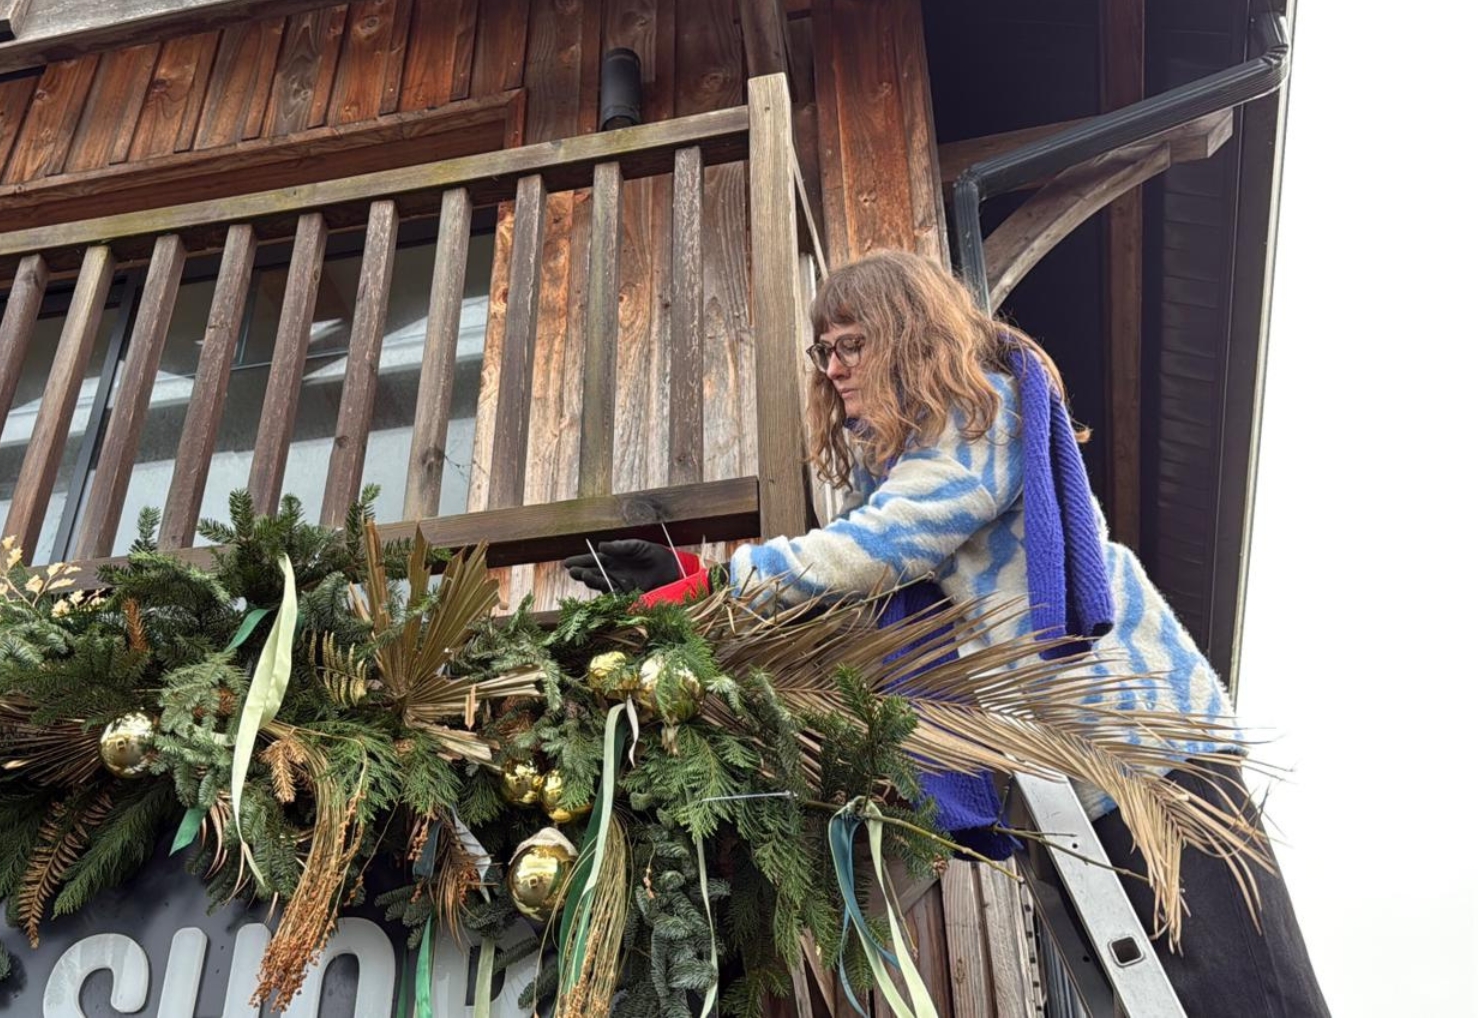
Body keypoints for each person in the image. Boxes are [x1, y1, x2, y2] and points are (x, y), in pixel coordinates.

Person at [566, 250, 1328, 1016]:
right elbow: (859, 567)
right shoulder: (913, 463)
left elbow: (882, 546)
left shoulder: (981, 417)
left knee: (1243, 989)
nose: (832, 367)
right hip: (1065, 765)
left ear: (905, 333)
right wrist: (695, 577)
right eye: (823, 349)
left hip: (1145, 745)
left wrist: (716, 581)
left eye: (850, 343)